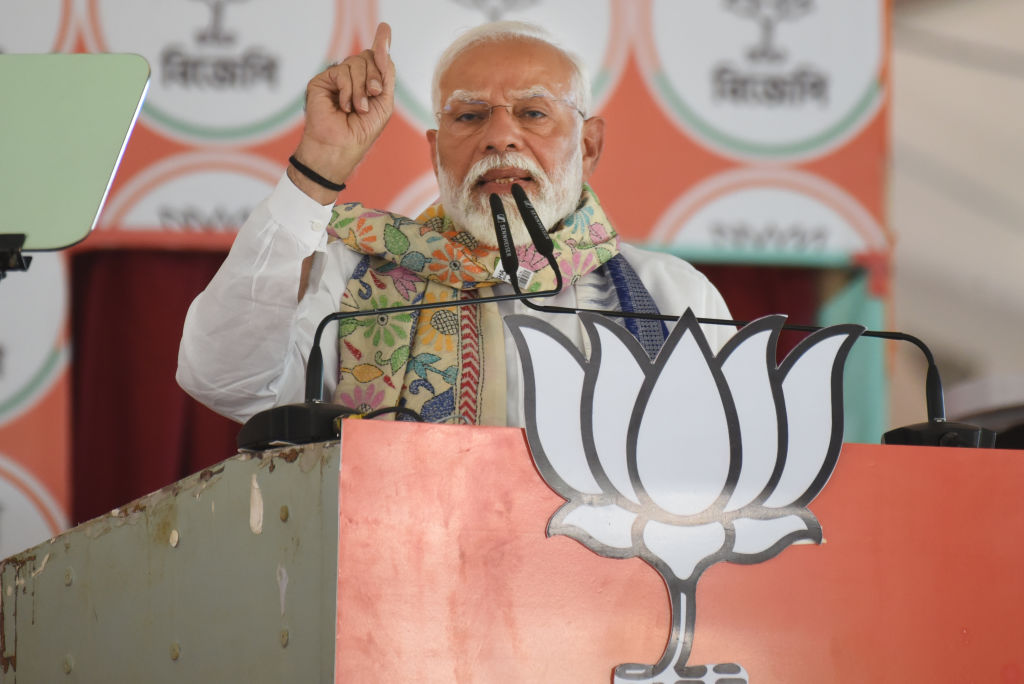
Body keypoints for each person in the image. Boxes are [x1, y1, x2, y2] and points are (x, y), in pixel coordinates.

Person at [176, 21, 732, 427]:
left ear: (589, 145)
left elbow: (724, 467)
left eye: (533, 113)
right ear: (436, 151)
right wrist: (318, 167)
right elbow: (228, 381)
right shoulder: (356, 276)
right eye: (469, 116)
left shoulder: (670, 295)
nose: (499, 137)